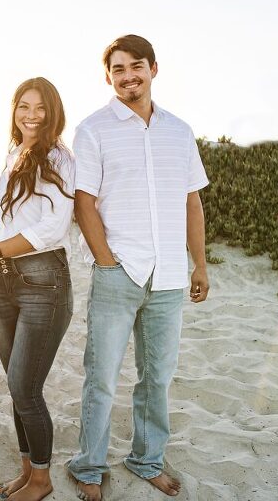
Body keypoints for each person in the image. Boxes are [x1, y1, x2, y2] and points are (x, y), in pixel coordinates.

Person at [67, 35, 210, 500]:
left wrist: (199, 264)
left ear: (153, 68)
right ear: (108, 76)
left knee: (157, 378)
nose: (128, 76)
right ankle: (88, 467)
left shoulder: (180, 131)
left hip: (169, 275)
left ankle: (146, 459)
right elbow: (83, 203)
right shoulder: (93, 129)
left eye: (136, 66)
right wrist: (107, 261)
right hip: (118, 273)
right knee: (102, 378)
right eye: (118, 69)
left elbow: (192, 201)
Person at [0, 77, 74, 501]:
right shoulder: (12, 155)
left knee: (25, 386)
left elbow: (52, 227)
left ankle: (42, 479)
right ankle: (25, 469)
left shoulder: (59, 156)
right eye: (23, 106)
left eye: (40, 107)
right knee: (14, 383)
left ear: (52, 112)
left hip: (42, 280)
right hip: (2, 279)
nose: (31, 114)